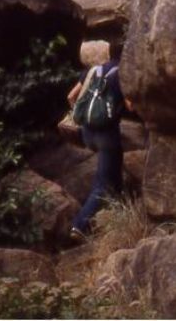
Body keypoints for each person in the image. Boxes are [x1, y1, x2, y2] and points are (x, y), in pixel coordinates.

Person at [67, 47, 126, 238]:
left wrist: (86, 117)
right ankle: (79, 225)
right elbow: (131, 104)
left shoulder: (94, 70)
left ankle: (121, 213)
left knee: (114, 175)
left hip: (87, 133)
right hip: (106, 136)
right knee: (103, 184)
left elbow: (71, 96)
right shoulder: (122, 74)